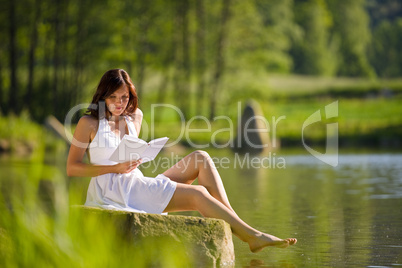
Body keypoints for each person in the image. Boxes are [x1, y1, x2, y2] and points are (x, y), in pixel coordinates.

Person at [66, 69, 297, 252]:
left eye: (125, 97)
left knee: (201, 158)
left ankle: (238, 224)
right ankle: (252, 235)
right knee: (198, 195)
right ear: (103, 96)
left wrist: (142, 154)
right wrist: (115, 167)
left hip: (136, 181)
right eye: (113, 97)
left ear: (131, 95)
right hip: (113, 191)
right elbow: (72, 168)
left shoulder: (134, 117)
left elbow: (132, 147)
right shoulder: (89, 123)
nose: (119, 103)